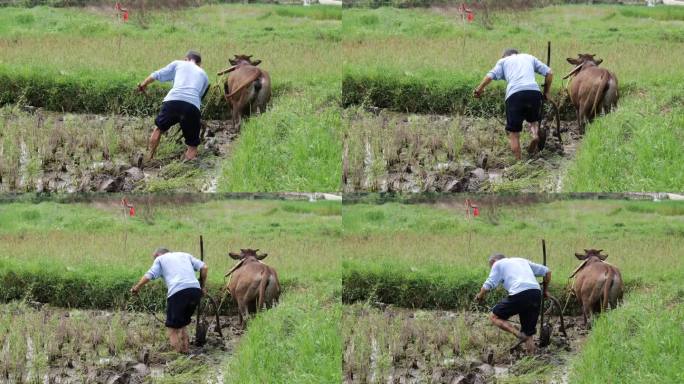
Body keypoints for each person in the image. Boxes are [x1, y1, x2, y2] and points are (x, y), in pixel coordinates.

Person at [473, 48, 553, 160]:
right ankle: (535, 136)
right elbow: (549, 72)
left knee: (514, 133)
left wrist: (479, 89)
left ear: (505, 56)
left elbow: (490, 76)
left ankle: (519, 162)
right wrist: (547, 92)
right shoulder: (529, 57)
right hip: (534, 92)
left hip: (514, 95)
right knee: (534, 121)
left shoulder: (503, 61)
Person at [130, 247, 208, 354]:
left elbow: (150, 274)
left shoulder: (160, 259)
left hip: (178, 292)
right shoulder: (185, 254)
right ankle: (185, 351)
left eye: (154, 258)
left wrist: (137, 287)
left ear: (158, 255)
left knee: (172, 328)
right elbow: (204, 267)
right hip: (195, 291)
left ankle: (177, 355)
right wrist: (202, 286)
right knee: (183, 324)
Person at [137, 51, 210, 162]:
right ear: (199, 64)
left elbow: (156, 75)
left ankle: (150, 157)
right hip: (192, 105)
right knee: (192, 145)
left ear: (186, 59)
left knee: (158, 129)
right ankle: (185, 169)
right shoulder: (204, 74)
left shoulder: (178, 63)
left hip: (172, 101)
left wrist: (143, 84)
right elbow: (199, 97)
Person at [474, 253, 551, 354]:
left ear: (494, 262)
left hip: (519, 293)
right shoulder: (521, 260)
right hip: (535, 293)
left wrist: (480, 296)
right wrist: (545, 291)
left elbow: (488, 284)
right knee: (528, 333)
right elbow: (547, 271)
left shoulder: (498, 264)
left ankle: (517, 333)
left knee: (494, 317)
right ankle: (532, 357)